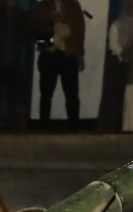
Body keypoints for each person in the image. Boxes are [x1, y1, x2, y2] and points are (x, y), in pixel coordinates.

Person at [32, 0, 85, 130]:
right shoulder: (43, 6)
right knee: (46, 94)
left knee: (72, 94)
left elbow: (80, 30)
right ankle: (43, 126)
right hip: (49, 55)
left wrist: (80, 54)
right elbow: (35, 30)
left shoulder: (73, 5)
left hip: (69, 54)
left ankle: (74, 127)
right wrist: (52, 28)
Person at [0, 0, 31, 131]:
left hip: (14, 62)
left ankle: (21, 128)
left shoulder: (23, 16)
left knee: (18, 97)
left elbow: (29, 36)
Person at [99, 0, 133, 132]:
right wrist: (125, 54)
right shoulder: (117, 25)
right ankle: (109, 126)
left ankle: (127, 125)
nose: (131, 8)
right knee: (113, 96)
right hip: (117, 65)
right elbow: (114, 45)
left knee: (129, 96)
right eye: (128, 5)